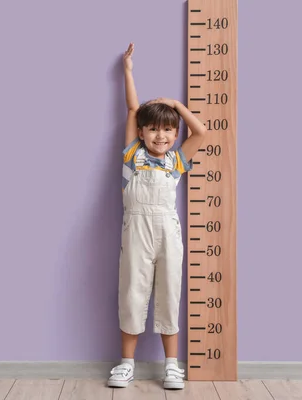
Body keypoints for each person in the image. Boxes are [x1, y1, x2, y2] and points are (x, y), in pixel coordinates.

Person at [107, 42, 207, 390]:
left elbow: (202, 132)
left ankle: (171, 366)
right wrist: (128, 72)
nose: (160, 135)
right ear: (142, 133)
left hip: (168, 231)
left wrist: (176, 105)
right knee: (132, 292)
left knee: (169, 293)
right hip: (135, 230)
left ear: (175, 135)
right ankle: (126, 364)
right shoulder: (131, 155)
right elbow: (133, 108)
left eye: (167, 130)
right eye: (153, 129)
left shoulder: (176, 161)